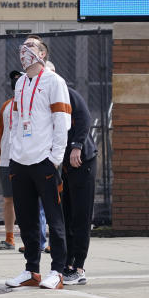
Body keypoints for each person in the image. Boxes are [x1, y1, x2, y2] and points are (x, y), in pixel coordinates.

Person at [3, 37, 71, 291]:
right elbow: (17, 121)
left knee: (54, 218)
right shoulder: (20, 82)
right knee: (27, 219)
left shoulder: (55, 81)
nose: (25, 49)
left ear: (42, 52)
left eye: (31, 45)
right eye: (23, 45)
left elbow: (62, 120)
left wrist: (55, 158)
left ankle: (58, 271)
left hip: (44, 160)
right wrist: (13, 154)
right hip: (20, 160)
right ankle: (32, 269)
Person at [53, 59, 98, 286]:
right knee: (66, 215)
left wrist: (77, 146)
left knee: (80, 216)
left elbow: (84, 118)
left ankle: (78, 266)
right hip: (62, 165)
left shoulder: (67, 93)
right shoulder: (40, 98)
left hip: (81, 161)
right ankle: (66, 262)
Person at [0, 71, 22, 252]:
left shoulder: (32, 104)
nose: (16, 83)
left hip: (26, 159)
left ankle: (32, 238)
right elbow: (0, 134)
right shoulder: (6, 106)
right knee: (8, 199)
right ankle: (9, 238)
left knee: (29, 200)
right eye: (14, 81)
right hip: (6, 160)